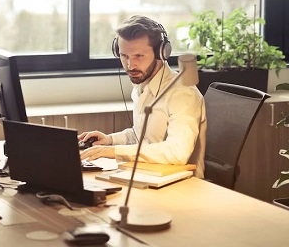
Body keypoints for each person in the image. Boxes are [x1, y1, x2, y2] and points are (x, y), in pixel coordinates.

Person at [79, 15, 207, 178]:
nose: (130, 66)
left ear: (161, 52)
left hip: (181, 185)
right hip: (148, 175)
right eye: (124, 56)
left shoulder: (182, 93)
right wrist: (110, 140)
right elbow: (142, 137)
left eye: (139, 56)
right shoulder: (142, 86)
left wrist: (113, 151)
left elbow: (177, 152)